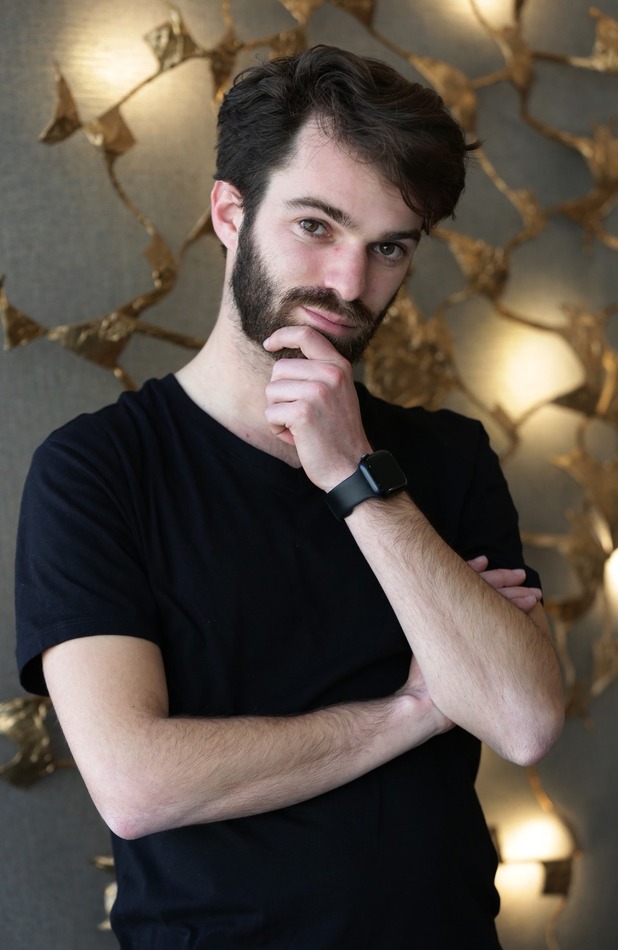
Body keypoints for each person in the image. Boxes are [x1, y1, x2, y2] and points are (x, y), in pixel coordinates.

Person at [15, 45, 564, 948]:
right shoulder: (97, 469)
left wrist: (358, 477)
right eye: (317, 225)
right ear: (230, 213)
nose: (350, 285)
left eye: (389, 247)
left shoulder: (447, 455)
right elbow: (136, 784)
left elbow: (524, 719)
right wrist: (414, 709)